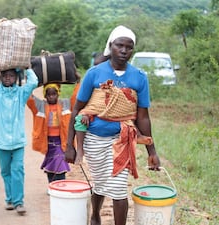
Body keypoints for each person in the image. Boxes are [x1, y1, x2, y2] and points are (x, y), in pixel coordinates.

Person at [65, 25, 161, 225]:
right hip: (94, 139)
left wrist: (152, 151)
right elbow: (77, 110)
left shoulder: (139, 77)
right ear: (111, 46)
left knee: (118, 188)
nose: (124, 50)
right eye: (120, 45)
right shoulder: (95, 73)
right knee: (100, 183)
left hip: (123, 139)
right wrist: (70, 146)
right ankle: (95, 215)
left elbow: (143, 116)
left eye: (129, 47)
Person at [0, 66, 38, 215]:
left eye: (11, 75)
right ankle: (10, 199)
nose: (8, 78)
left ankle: (19, 202)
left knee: (18, 171)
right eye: (5, 75)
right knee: (6, 172)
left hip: (18, 142)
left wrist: (28, 69)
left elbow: (33, 82)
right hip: (2, 142)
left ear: (16, 78)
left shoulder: (21, 93)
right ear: (0, 77)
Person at [27, 82, 79, 183]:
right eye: (48, 94)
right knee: (51, 164)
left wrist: (78, 82)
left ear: (58, 93)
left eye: (54, 94)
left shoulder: (65, 104)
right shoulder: (40, 105)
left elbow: (75, 97)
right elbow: (29, 99)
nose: (51, 97)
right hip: (47, 143)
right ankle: (52, 185)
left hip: (61, 142)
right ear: (45, 95)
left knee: (59, 162)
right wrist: (32, 83)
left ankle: (60, 186)